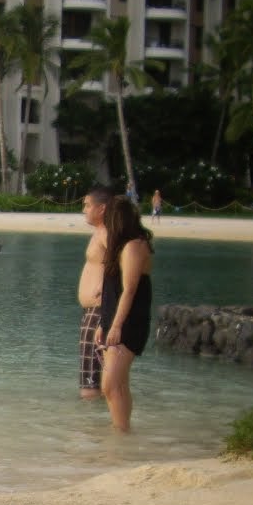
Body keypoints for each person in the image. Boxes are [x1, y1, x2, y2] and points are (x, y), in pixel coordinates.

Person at [97, 196, 154, 433]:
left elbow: (129, 290)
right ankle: (121, 429)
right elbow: (112, 291)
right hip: (115, 319)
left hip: (128, 322)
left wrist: (117, 325)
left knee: (111, 385)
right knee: (116, 384)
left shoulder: (133, 246)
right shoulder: (122, 246)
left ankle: (121, 432)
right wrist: (104, 323)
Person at [76, 185, 112, 401]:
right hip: (95, 310)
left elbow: (121, 262)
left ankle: (90, 426)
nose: (84, 210)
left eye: (87, 205)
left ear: (102, 209)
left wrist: (105, 290)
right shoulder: (99, 232)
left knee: (90, 377)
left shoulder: (106, 233)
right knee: (94, 370)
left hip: (99, 309)